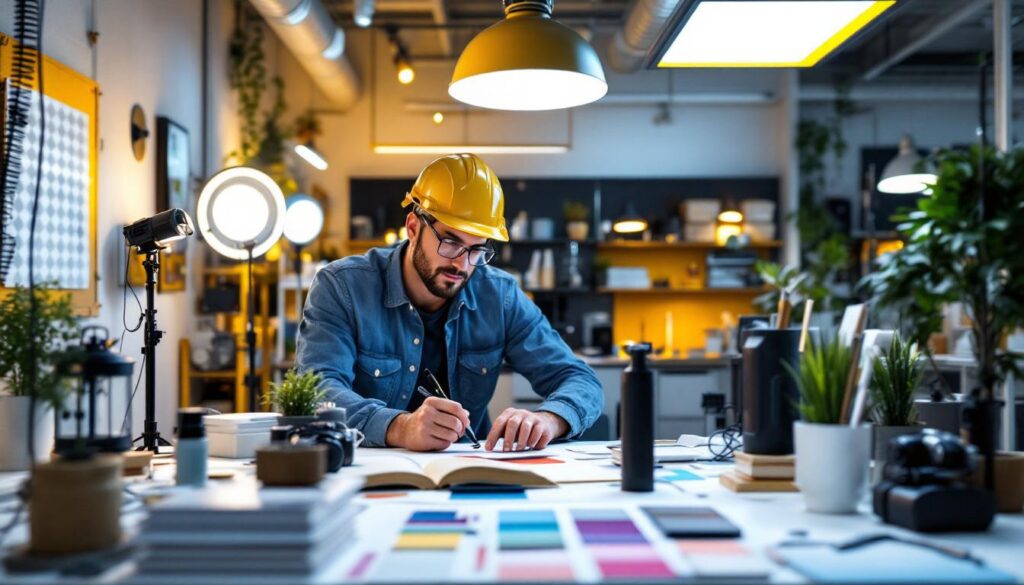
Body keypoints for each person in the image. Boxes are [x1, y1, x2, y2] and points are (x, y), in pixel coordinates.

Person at [296, 153, 603, 452]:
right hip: (366, 472)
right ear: (413, 228)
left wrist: (548, 420)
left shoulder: (499, 295)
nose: (462, 264)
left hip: (467, 474)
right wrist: (400, 427)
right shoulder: (342, 287)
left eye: (476, 249)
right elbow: (318, 390)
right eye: (451, 241)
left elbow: (579, 379)